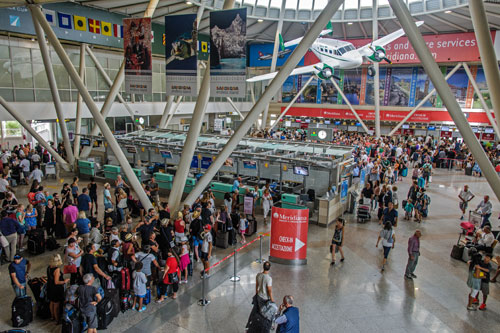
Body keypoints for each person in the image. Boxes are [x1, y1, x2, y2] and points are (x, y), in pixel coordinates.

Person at [245, 261, 274, 332]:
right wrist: (272, 299)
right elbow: (269, 290)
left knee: (256, 310)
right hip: (265, 298)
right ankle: (266, 325)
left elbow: (257, 285)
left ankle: (250, 323)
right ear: (269, 268)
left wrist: (256, 292)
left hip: (259, 295)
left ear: (263, 267)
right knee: (266, 313)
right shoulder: (269, 278)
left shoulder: (258, 275)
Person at [47, 254, 69, 323]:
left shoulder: (49, 267)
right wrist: (64, 281)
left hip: (50, 287)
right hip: (56, 289)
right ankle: (57, 320)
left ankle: (52, 317)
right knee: (56, 305)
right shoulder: (57, 269)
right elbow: (56, 282)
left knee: (51, 302)